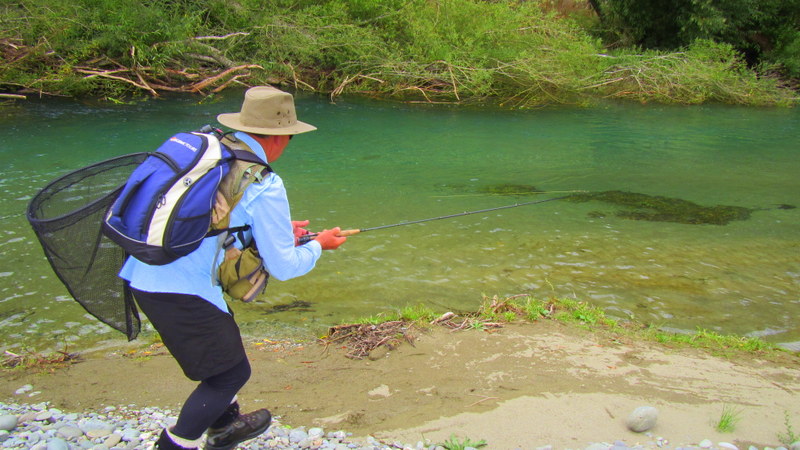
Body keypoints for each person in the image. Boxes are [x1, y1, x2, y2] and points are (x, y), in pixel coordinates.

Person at [118, 86, 347, 450]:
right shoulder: (264, 181)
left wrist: (279, 231)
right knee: (230, 374)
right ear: (280, 138)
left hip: (143, 270)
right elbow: (285, 266)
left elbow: (213, 220)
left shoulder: (214, 151)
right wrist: (320, 245)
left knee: (222, 351)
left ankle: (225, 426)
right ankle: (177, 443)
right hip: (177, 289)